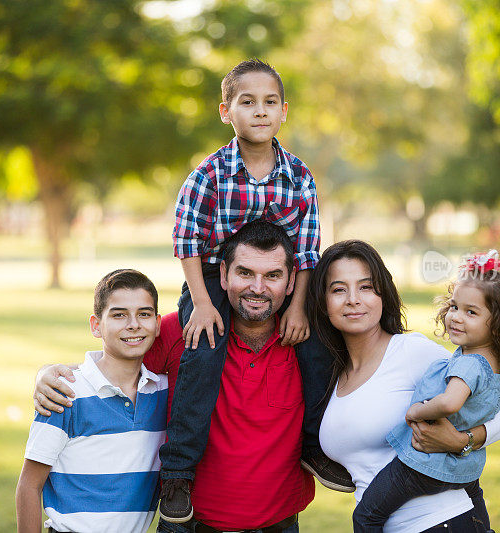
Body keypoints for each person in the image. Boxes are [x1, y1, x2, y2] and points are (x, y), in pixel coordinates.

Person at [34, 220, 318, 532]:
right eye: (245, 273)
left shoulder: (305, 339)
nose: (257, 288)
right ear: (223, 274)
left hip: (279, 525)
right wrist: (48, 373)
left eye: (273, 276)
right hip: (188, 524)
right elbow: (115, 364)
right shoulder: (184, 331)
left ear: (292, 281)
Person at [164, 58, 351, 521]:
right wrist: (203, 305)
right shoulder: (208, 175)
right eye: (247, 103)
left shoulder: (300, 176)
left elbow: (308, 249)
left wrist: (300, 308)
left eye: (270, 102)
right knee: (204, 352)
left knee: (313, 349)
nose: (260, 111)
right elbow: (186, 242)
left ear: (284, 110)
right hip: (211, 277)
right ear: (226, 111)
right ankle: (178, 473)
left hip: (281, 279)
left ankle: (314, 445)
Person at [308, 241, 500, 532]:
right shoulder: (330, 376)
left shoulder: (410, 352)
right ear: (322, 301)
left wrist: (463, 440)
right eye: (338, 289)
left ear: (383, 294)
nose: (353, 299)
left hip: (443, 521)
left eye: (366, 287)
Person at [15, 269, 168, 533]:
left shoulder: (163, 391)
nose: (133, 324)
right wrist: (44, 373)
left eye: (144, 314)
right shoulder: (64, 393)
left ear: (157, 322)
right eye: (119, 315)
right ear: (96, 326)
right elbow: (29, 485)